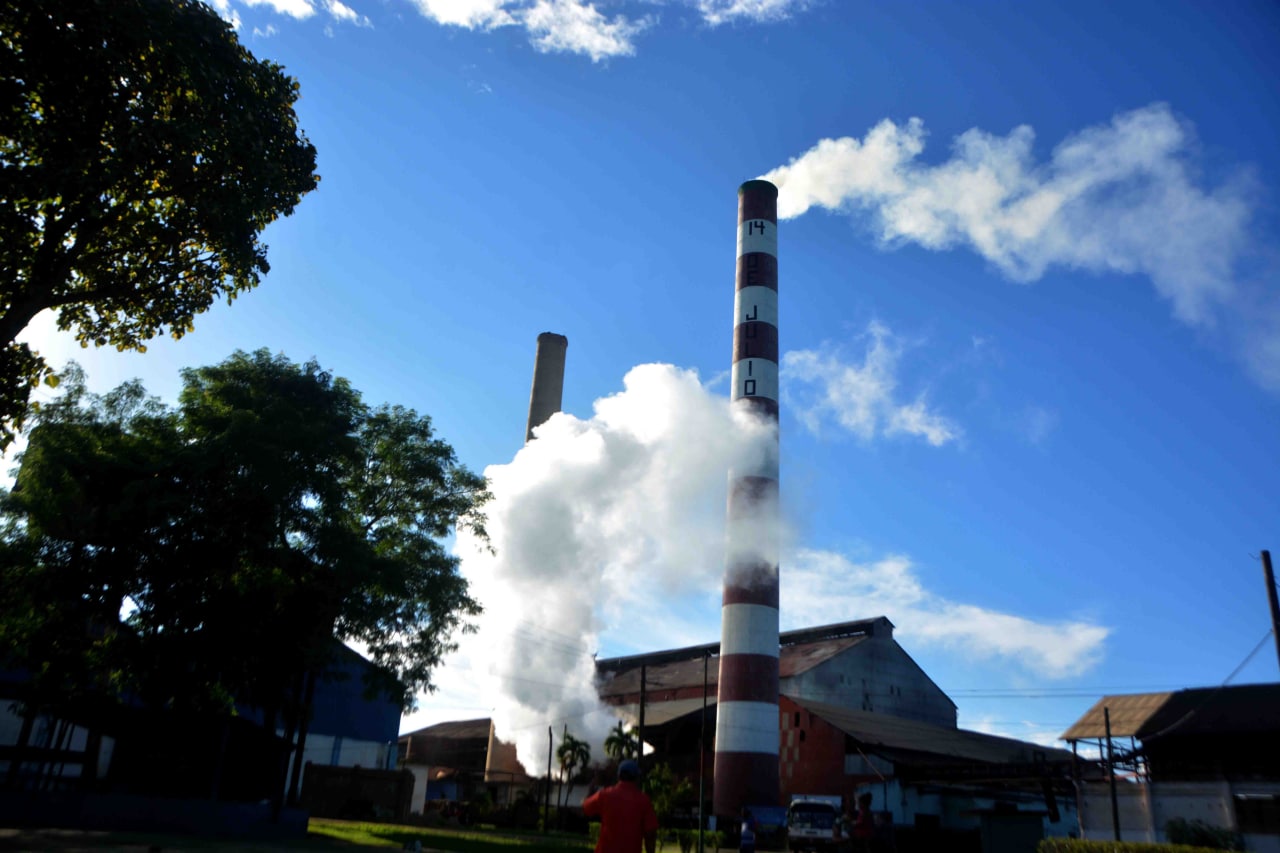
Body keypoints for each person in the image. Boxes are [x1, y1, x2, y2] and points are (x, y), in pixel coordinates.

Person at [582, 759, 659, 853]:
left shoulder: (605, 795)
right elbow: (650, 833)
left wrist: (590, 790)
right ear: (636, 777)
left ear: (618, 776)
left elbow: (586, 808)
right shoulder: (644, 801)